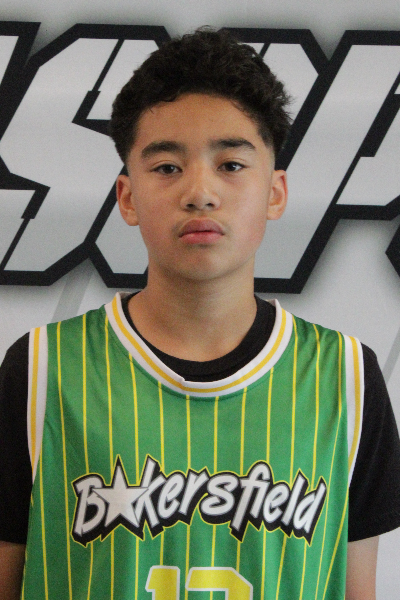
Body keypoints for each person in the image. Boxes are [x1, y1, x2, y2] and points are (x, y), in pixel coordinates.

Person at [1, 28, 399, 600]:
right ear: (127, 197)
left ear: (276, 192)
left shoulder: (347, 377)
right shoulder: (42, 370)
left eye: (231, 164)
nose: (200, 192)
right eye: (167, 167)